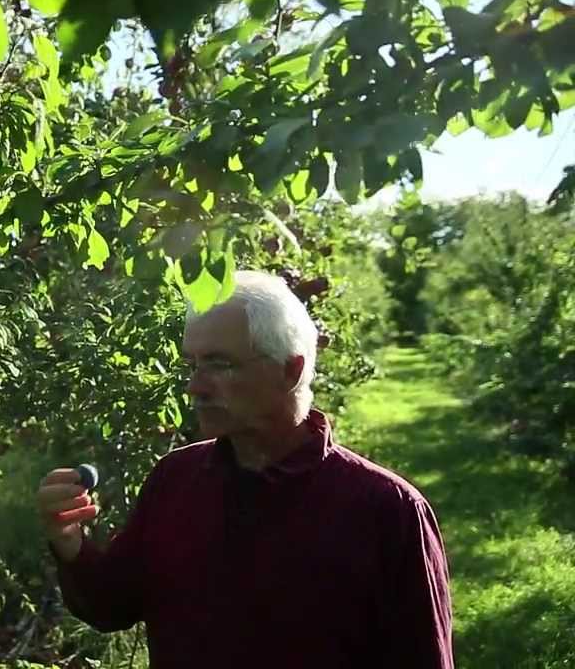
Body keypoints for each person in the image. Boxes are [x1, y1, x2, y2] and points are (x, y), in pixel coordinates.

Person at [36, 269, 453, 668]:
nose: (195, 387)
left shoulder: (385, 511)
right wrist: (71, 543)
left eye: (220, 364)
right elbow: (114, 605)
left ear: (291, 369)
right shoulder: (176, 481)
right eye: (192, 366)